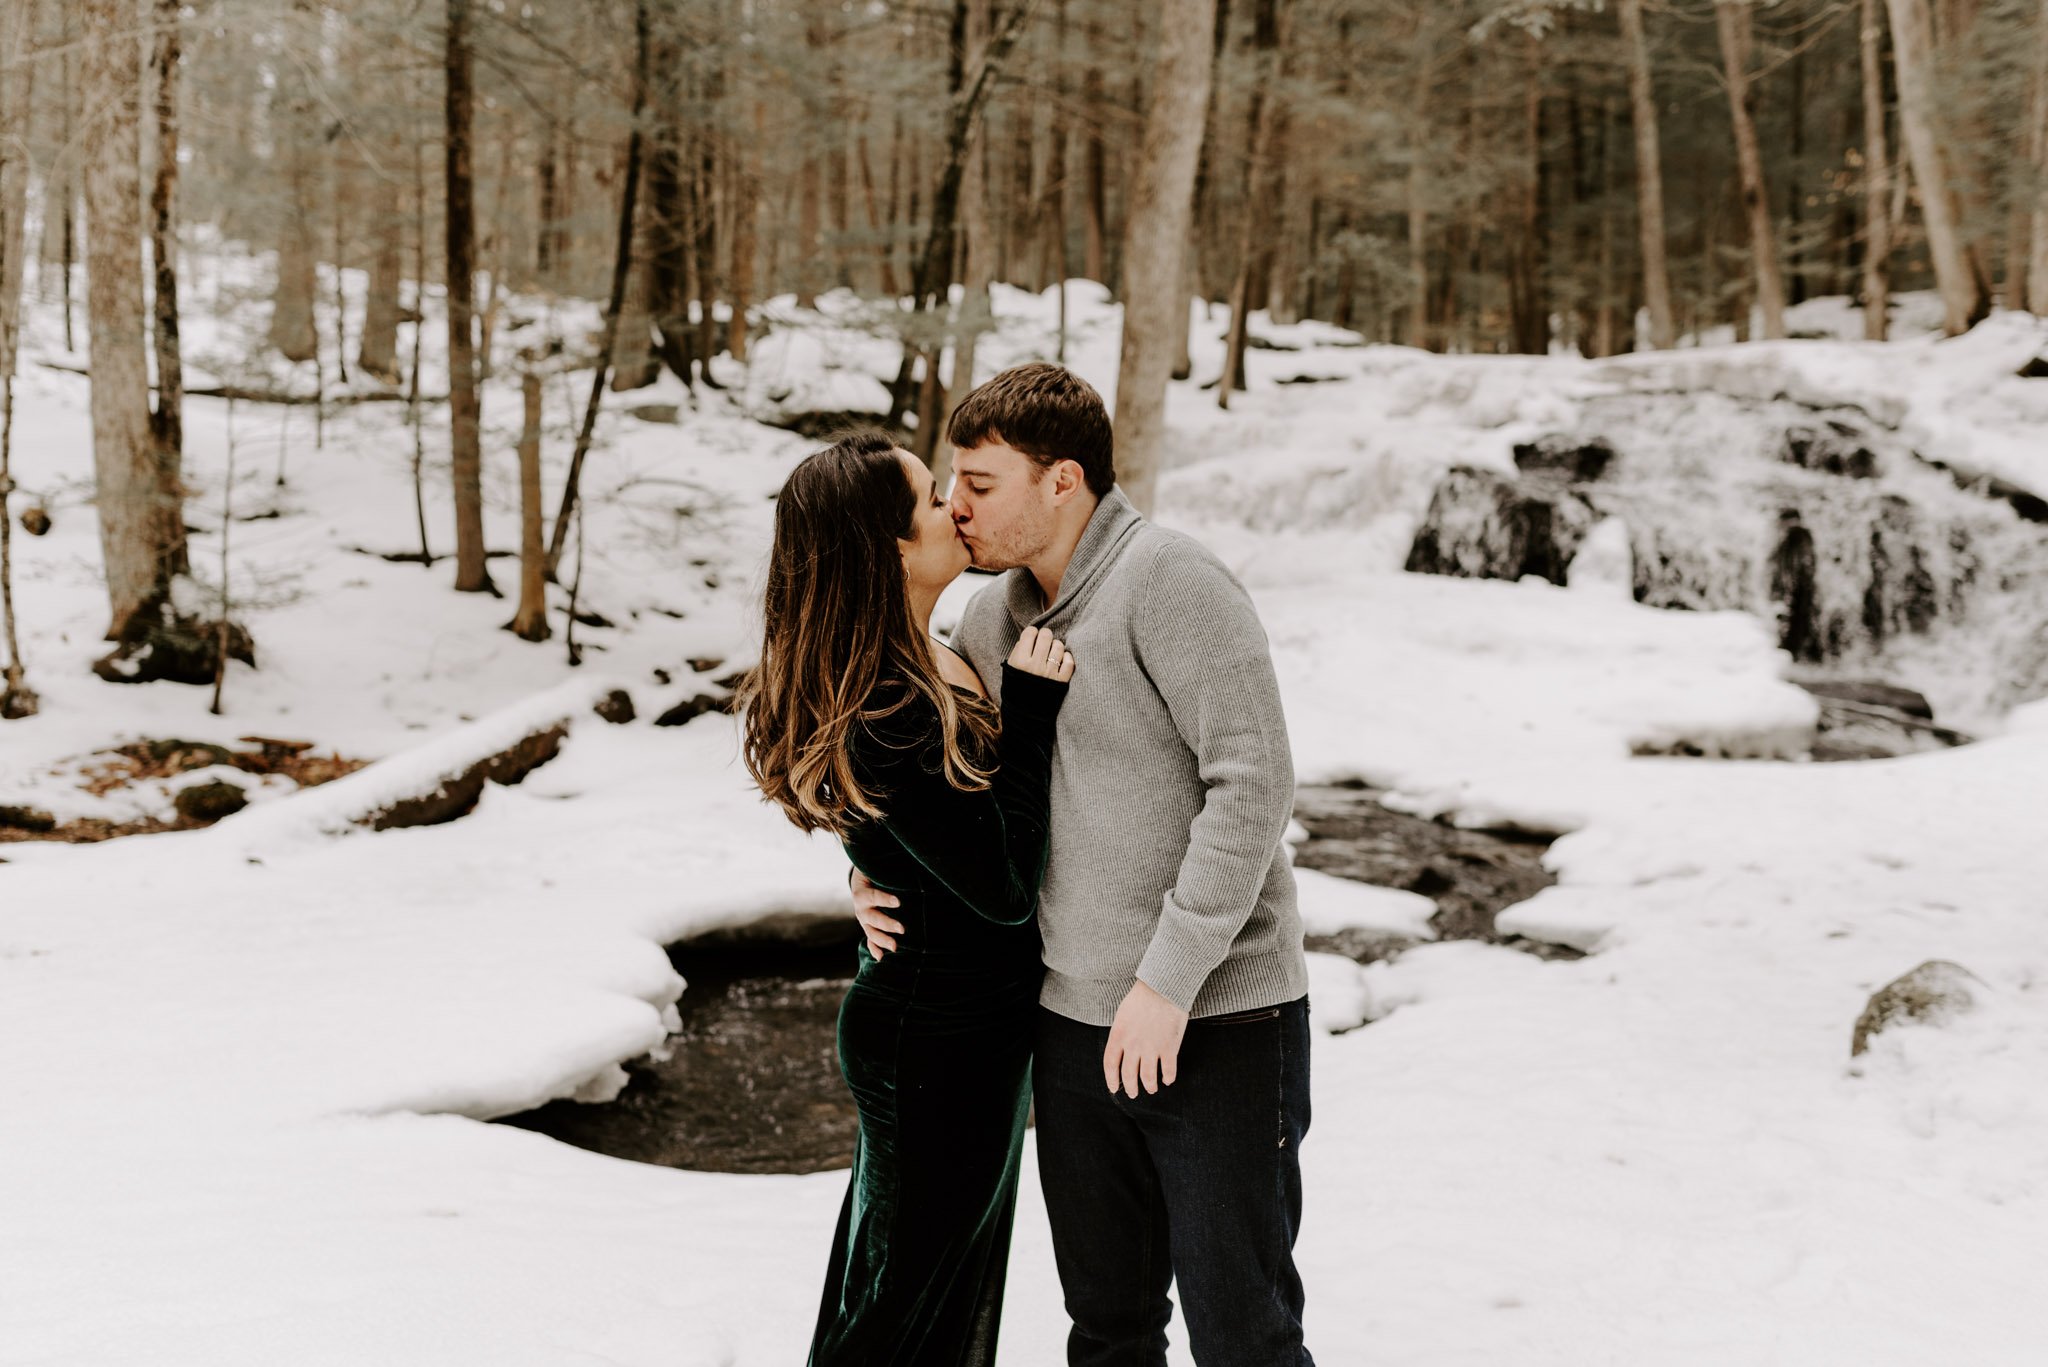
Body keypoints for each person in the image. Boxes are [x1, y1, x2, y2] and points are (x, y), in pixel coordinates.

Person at [854, 364, 1316, 1367]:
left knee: (1244, 1335)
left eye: (979, 482)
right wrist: (869, 870)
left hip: (1222, 1022)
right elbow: (948, 799)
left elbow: (1255, 785)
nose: (955, 504)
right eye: (949, 483)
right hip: (1066, 1028)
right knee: (1107, 1329)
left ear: (1060, 481)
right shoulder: (986, 618)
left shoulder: (1172, 583)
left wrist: (1165, 980)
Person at [740, 430, 1078, 1367]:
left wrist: (869, 864)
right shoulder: (889, 702)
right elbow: (1004, 889)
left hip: (962, 1029)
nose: (956, 509)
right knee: (899, 1316)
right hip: (938, 1039)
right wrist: (1034, 715)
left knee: (923, 1292)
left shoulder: (917, 656)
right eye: (934, 499)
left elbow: (920, 836)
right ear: (886, 546)